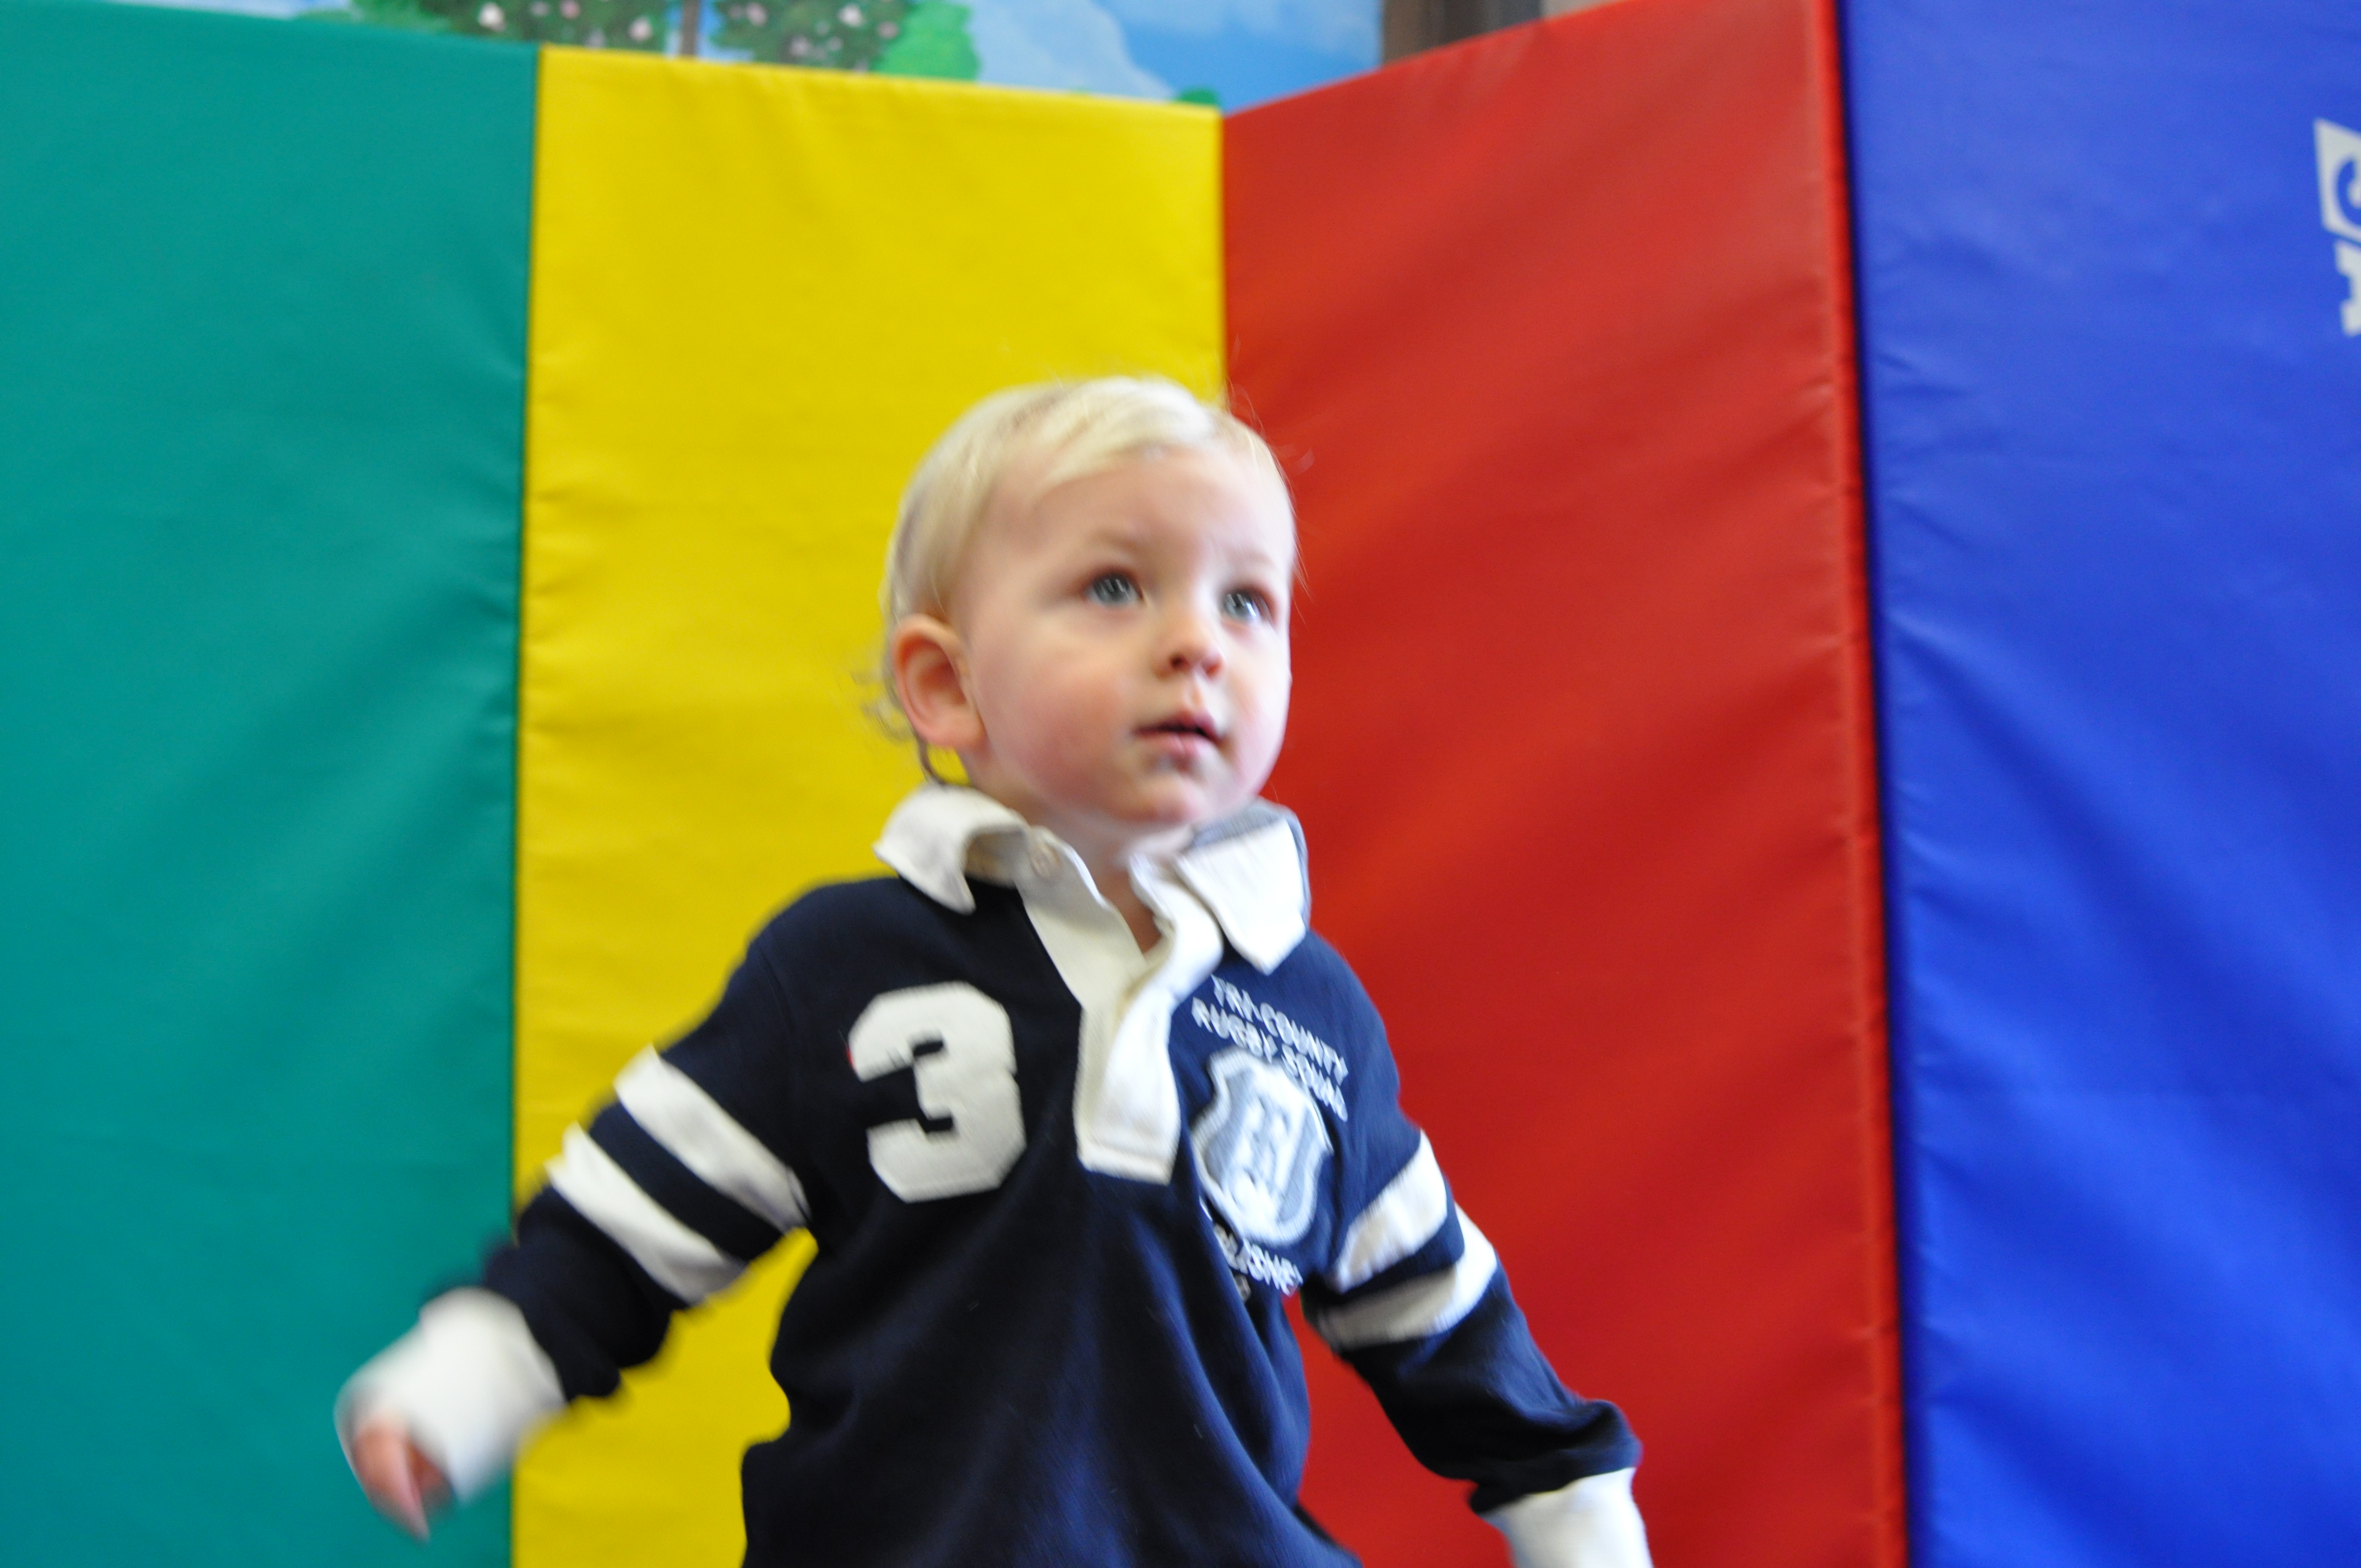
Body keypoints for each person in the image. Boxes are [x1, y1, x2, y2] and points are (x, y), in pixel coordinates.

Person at [339, 377, 1650, 1566]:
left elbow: (1433, 1298)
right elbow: (634, 1213)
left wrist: (1571, 1499)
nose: (1197, 641)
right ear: (945, 685)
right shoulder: (842, 966)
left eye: (1245, 600)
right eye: (1116, 587)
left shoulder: (1309, 1007)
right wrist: (474, 1377)